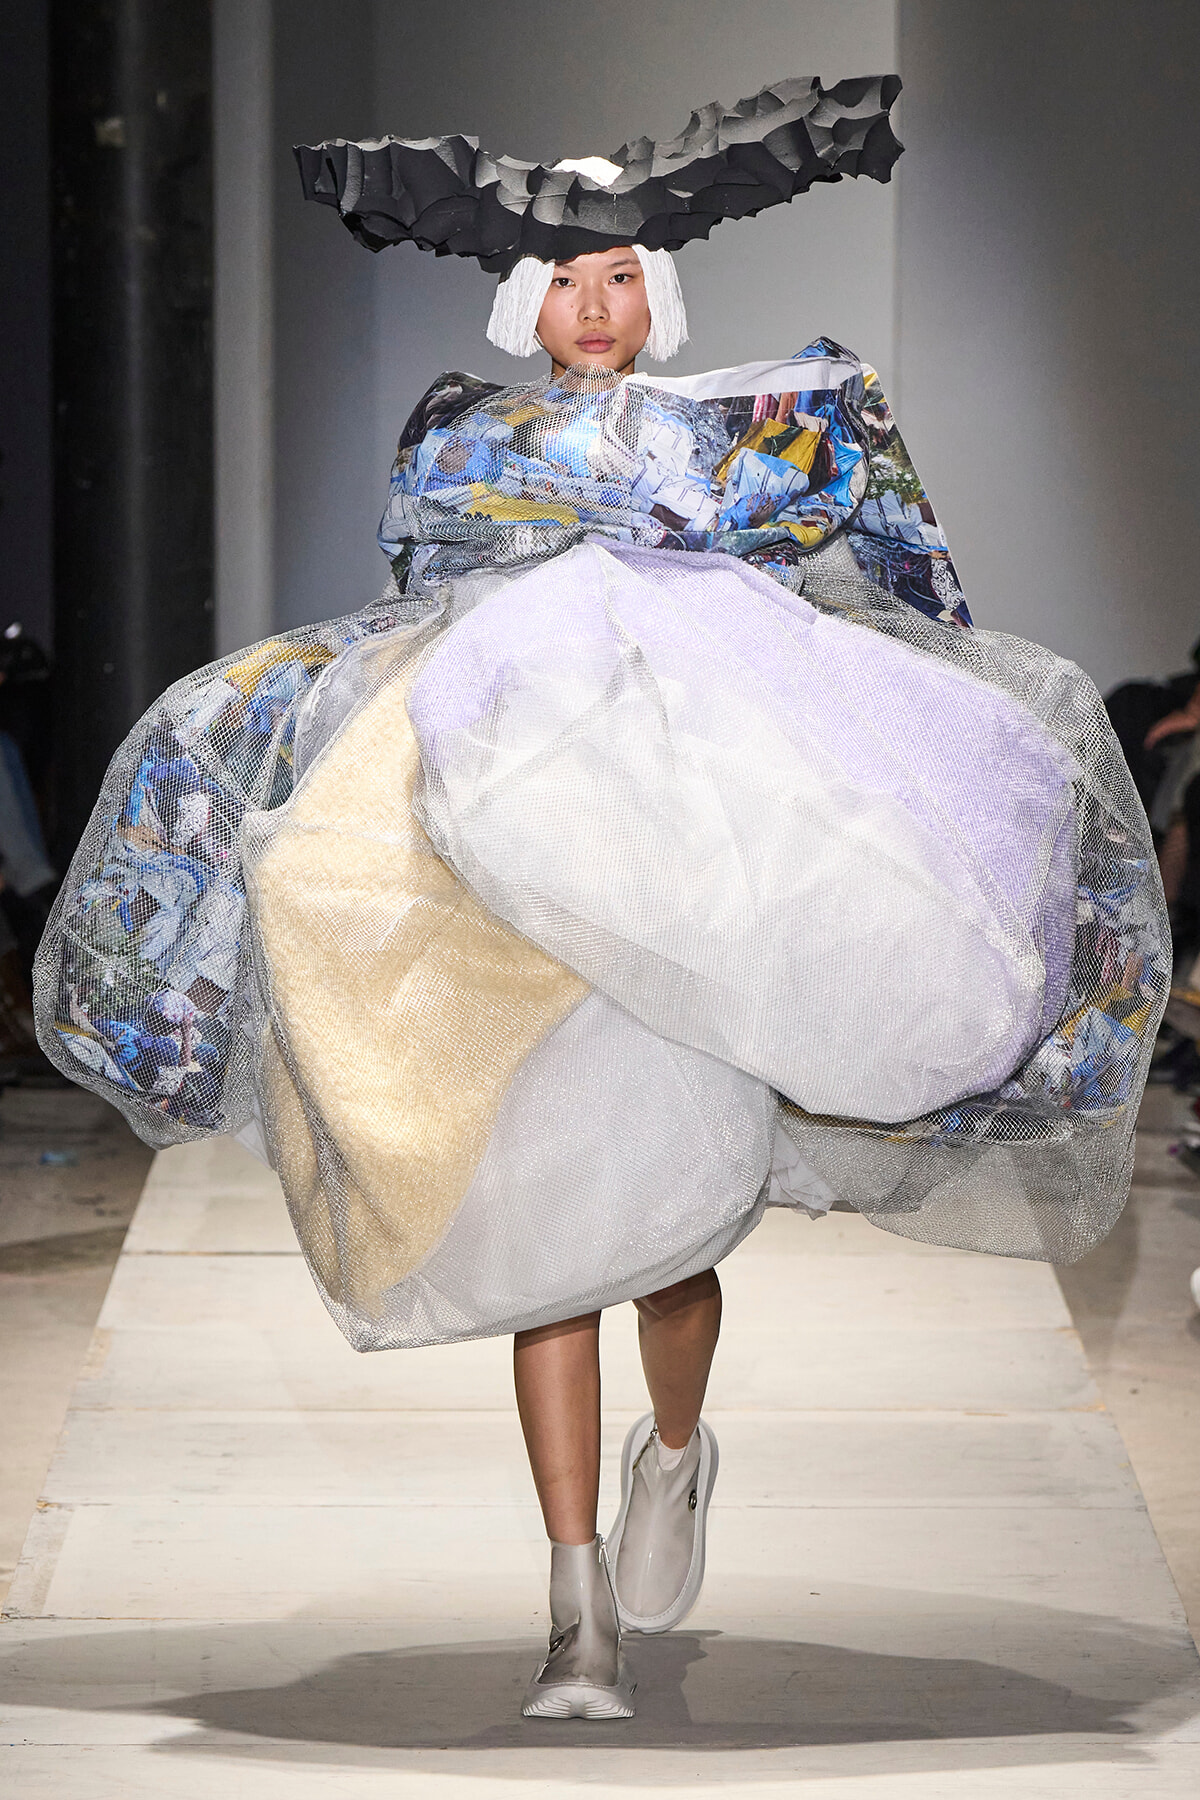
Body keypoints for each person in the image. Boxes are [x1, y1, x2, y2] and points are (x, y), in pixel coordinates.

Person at [35, 74, 1169, 1722]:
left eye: (622, 274)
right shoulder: (464, 440)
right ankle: (575, 1611)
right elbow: (417, 606)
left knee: (678, 1253)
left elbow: (887, 559)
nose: (595, 304)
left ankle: (679, 1455)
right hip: (517, 860)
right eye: (569, 278)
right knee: (553, 1244)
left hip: (692, 852)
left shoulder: (745, 434)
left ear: (660, 292)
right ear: (523, 300)